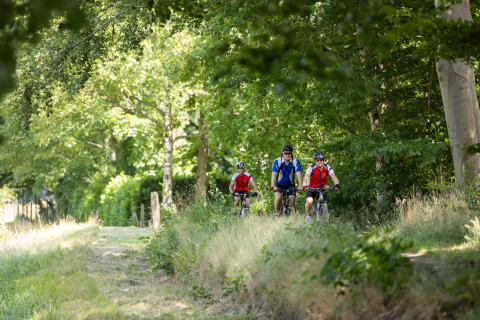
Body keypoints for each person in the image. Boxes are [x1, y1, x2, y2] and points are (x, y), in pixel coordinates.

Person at [303, 152, 340, 223]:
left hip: (322, 188)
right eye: (317, 160)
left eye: (321, 160)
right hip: (311, 188)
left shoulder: (327, 168)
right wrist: (305, 186)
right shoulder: (311, 168)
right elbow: (306, 178)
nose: (319, 161)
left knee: (325, 205)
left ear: (323, 160)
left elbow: (333, 176)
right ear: (314, 161)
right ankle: (308, 216)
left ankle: (326, 223)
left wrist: (336, 184)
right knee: (309, 202)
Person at [271, 144, 303, 217]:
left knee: (292, 199)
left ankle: (293, 217)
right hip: (279, 184)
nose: (287, 155)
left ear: (291, 154)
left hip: (290, 184)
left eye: (289, 153)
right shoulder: (277, 161)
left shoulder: (295, 161)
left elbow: (299, 174)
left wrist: (301, 185)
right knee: (278, 197)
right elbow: (274, 174)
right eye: (286, 153)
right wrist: (273, 185)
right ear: (283, 153)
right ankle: (277, 214)